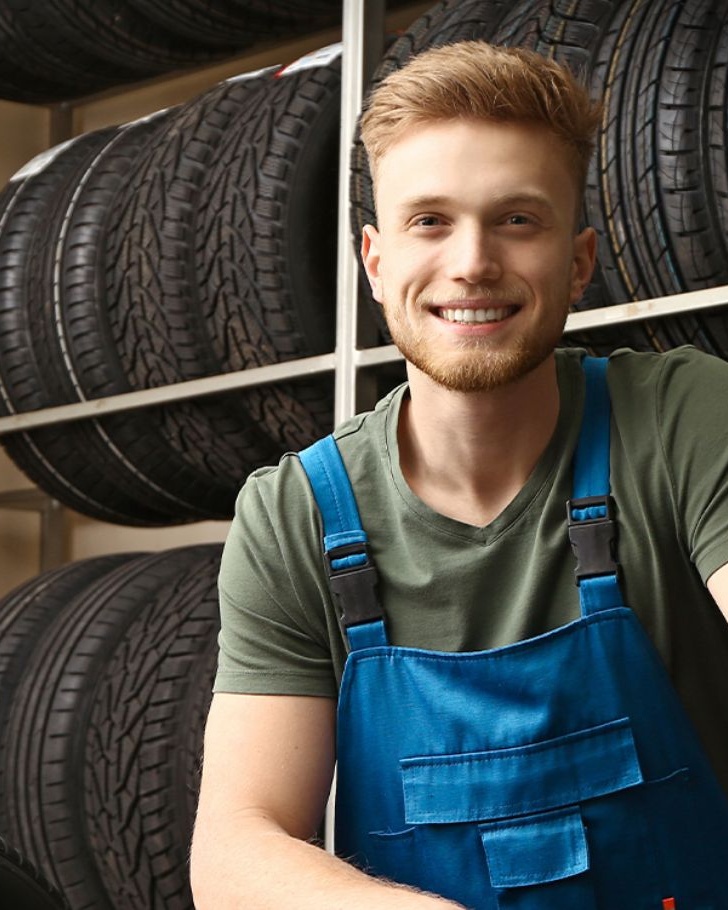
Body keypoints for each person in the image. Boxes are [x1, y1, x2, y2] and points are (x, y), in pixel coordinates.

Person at [190, 40, 728, 909]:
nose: (473, 261)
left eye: (517, 219)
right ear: (375, 261)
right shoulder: (294, 515)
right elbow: (233, 851)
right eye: (429, 220)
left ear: (579, 259)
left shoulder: (681, 418)